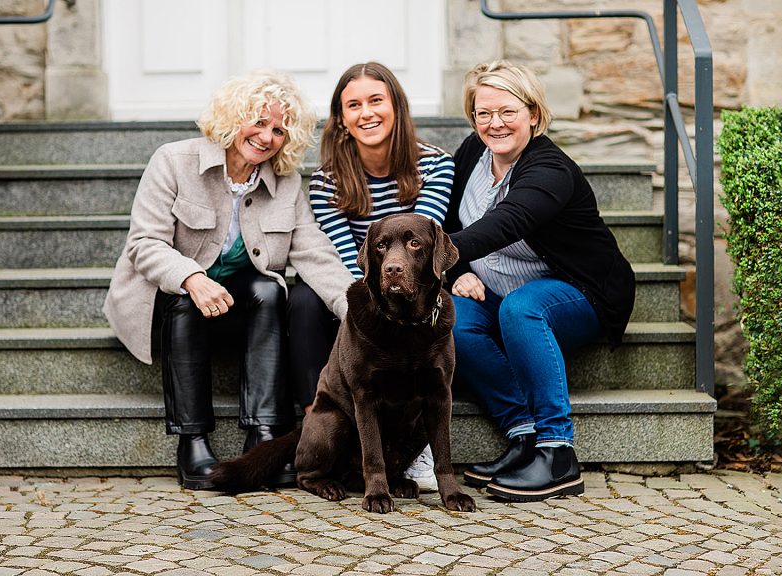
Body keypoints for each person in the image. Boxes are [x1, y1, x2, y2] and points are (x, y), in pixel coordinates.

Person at [103, 71, 354, 490]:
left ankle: (264, 433)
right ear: (233, 117)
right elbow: (144, 243)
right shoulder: (174, 160)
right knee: (186, 296)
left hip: (236, 309)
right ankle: (192, 440)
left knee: (268, 288)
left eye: (279, 130)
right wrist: (191, 277)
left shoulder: (286, 183)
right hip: (168, 303)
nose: (266, 137)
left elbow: (315, 253)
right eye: (258, 122)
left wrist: (354, 310)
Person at [445, 60, 635, 501]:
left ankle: (557, 452)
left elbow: (506, 223)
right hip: (493, 291)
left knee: (523, 307)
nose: (495, 123)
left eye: (507, 112)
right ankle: (524, 434)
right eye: (483, 113)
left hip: (577, 292)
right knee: (450, 319)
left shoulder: (550, 169)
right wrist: (458, 270)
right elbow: (451, 216)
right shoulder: (472, 153)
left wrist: (430, 254)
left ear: (533, 113)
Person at [287, 61, 455, 492]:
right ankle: (318, 418)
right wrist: (371, 303)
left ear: (396, 105)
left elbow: (427, 242)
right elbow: (346, 255)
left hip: (416, 286)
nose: (366, 113)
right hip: (362, 286)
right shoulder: (327, 180)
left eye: (376, 100)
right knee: (303, 299)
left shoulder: (435, 164)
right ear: (341, 118)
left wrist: (399, 283)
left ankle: (416, 447)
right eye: (353, 105)